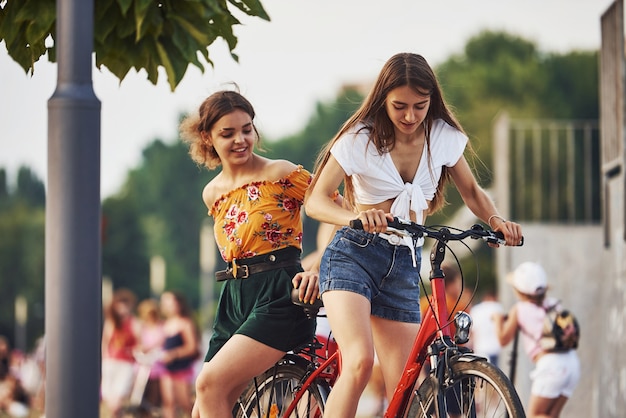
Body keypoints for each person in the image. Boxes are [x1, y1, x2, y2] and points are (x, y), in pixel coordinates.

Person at [304, 52, 523, 416]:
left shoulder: (441, 136)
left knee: (406, 391)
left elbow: (472, 192)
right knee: (358, 363)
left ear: (432, 100)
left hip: (404, 262)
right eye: (399, 106)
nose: (410, 116)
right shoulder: (361, 137)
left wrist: (497, 220)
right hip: (353, 255)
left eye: (420, 106)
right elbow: (315, 200)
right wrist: (356, 216)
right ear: (382, 99)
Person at [179, 88, 320, 418]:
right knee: (203, 409)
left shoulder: (280, 173)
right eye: (227, 134)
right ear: (207, 137)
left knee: (208, 385)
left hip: (280, 293)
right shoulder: (211, 193)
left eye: (246, 129)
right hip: (233, 298)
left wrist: (317, 267)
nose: (240, 140)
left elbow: (338, 213)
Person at [493, 262, 580, 418]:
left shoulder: (519, 309)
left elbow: (503, 339)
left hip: (551, 367)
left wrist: (498, 320)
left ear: (519, 291)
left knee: (535, 415)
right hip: (571, 363)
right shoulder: (554, 304)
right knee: (550, 415)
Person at [101, 288, 141, 417]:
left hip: (125, 364)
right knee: (109, 398)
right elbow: (106, 342)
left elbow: (140, 343)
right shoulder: (111, 322)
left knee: (116, 402)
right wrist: (105, 357)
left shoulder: (134, 323)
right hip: (110, 362)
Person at [159, 291, 199, 418]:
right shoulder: (166, 323)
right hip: (167, 368)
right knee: (168, 402)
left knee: (185, 403)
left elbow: (192, 347)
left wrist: (174, 354)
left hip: (182, 368)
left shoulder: (185, 323)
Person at [136, 298, 165, 409]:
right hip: (144, 365)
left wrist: (150, 348)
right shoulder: (142, 326)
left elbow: (162, 341)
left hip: (157, 364)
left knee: (155, 397)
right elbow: (139, 342)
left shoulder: (161, 326)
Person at [469, 288, 504, 365]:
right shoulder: (497, 307)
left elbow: (473, 331)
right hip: (495, 347)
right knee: (495, 374)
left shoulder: (475, 309)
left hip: (480, 348)